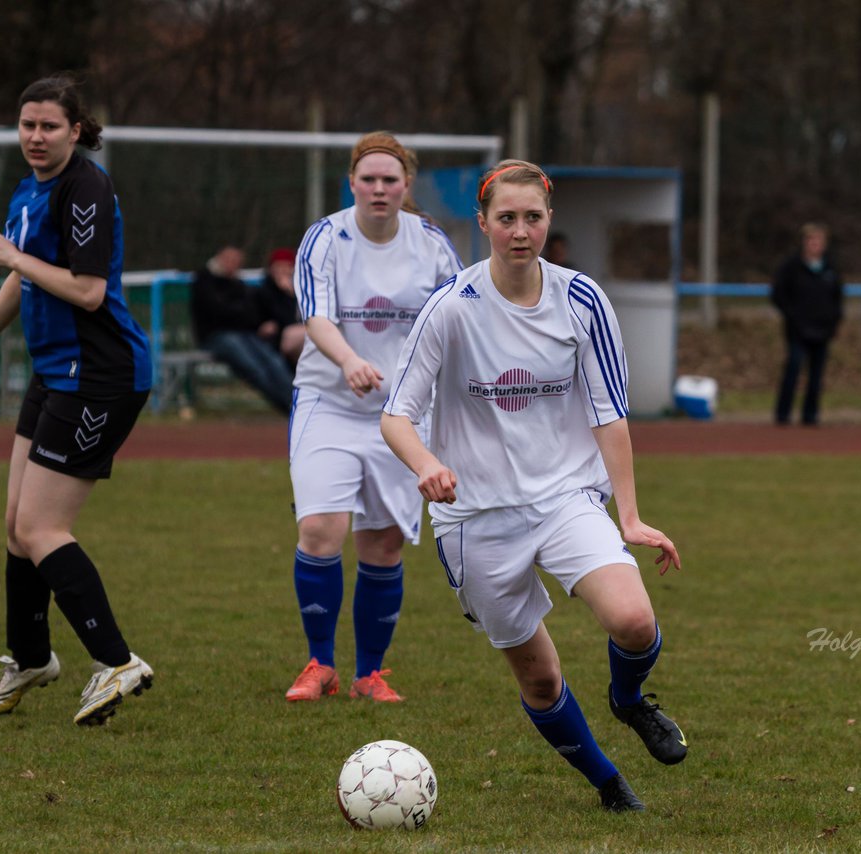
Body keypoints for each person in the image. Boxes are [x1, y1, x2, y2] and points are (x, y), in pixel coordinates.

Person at [381, 159, 687, 813]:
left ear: (549, 220)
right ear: (484, 223)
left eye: (534, 218)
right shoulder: (450, 308)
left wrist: (629, 517)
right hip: (476, 520)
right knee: (541, 678)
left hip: (565, 498)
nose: (521, 232)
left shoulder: (582, 300)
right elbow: (395, 416)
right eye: (507, 219)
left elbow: (609, 414)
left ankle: (628, 701)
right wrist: (426, 465)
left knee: (633, 620)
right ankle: (610, 785)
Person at [0, 75, 154, 726]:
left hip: (100, 374)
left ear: (77, 130)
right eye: (27, 125)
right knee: (14, 525)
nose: (35, 136)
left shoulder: (85, 185)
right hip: (56, 370)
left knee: (40, 528)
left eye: (49, 126)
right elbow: (21, 275)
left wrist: (12, 257)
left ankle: (116, 661)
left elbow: (86, 291)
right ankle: (30, 657)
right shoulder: (27, 187)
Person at [283, 131, 462, 704]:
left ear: (406, 185)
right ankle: (319, 664)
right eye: (368, 179)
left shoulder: (431, 242)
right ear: (352, 183)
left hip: (402, 415)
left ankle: (369, 673)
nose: (379, 189)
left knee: (382, 543)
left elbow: (456, 316)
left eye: (390, 180)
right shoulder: (326, 237)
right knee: (320, 529)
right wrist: (349, 360)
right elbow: (315, 315)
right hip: (328, 401)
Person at [190, 245, 294, 414]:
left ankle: (296, 403)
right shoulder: (204, 280)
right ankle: (287, 406)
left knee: (272, 361)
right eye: (230, 260)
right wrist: (239, 314)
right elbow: (218, 311)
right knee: (254, 367)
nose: (234, 265)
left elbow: (249, 314)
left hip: (243, 334)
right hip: (216, 337)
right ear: (220, 259)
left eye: (237, 262)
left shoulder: (238, 284)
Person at [770, 222, 844, 426]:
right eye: (811, 240)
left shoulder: (830, 268)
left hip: (822, 330)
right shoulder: (791, 267)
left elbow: (838, 298)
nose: (815, 244)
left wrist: (833, 322)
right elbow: (778, 295)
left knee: (816, 376)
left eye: (819, 240)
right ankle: (782, 415)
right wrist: (793, 317)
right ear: (804, 242)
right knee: (793, 369)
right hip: (797, 330)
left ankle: (810, 416)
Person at [257, 247, 305, 369]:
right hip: (275, 340)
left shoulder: (301, 289)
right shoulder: (264, 291)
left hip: (294, 339)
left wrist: (291, 294)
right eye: (278, 266)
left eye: (287, 266)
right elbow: (284, 320)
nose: (282, 270)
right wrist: (287, 295)